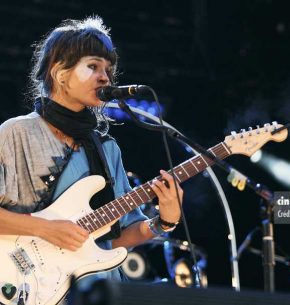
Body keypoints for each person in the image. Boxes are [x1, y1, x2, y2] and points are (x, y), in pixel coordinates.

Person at [0, 16, 183, 282]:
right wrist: (45, 229)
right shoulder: (15, 133)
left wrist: (165, 220)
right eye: (93, 66)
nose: (105, 78)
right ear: (60, 73)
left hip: (98, 289)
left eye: (108, 70)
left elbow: (115, 239)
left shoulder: (107, 148)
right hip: (25, 282)